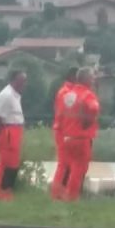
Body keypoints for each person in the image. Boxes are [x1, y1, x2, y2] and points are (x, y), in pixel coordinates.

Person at [55, 67, 100, 202]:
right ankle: (72, 197)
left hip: (67, 137)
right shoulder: (87, 94)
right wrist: (88, 121)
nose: (93, 79)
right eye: (92, 77)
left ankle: (56, 194)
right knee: (78, 169)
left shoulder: (67, 94)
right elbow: (93, 108)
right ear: (85, 79)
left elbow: (61, 115)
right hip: (81, 138)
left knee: (63, 166)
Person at [0, 70, 27, 201]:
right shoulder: (6, 95)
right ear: (14, 80)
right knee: (6, 164)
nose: (24, 83)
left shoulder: (15, 96)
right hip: (7, 133)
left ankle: (7, 191)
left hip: (15, 132)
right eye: (21, 80)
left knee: (13, 164)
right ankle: (0, 192)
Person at [50, 66, 79, 200]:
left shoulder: (69, 91)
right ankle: (57, 193)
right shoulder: (66, 92)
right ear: (73, 77)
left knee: (67, 164)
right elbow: (67, 113)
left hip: (65, 130)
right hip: (64, 131)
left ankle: (62, 192)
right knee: (63, 164)